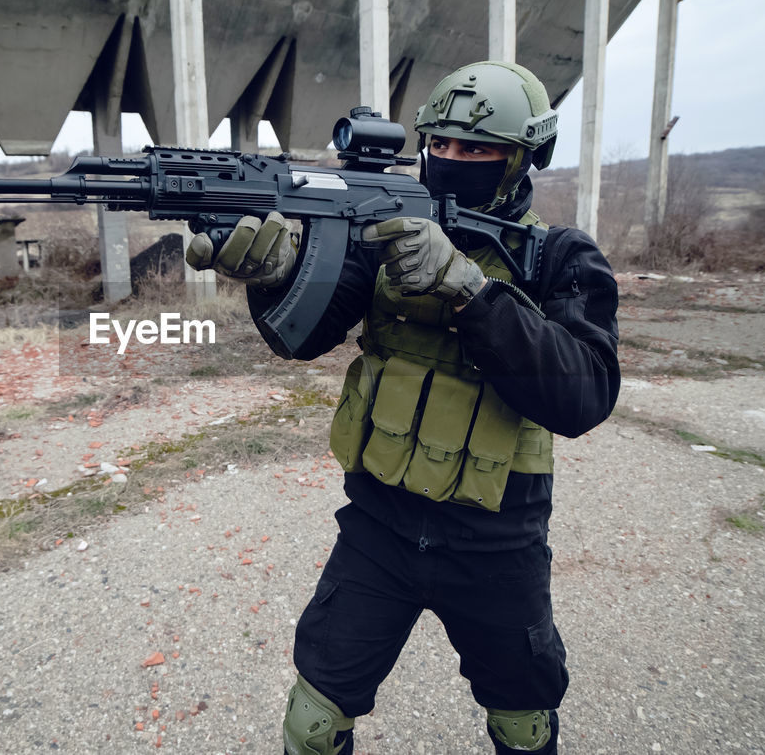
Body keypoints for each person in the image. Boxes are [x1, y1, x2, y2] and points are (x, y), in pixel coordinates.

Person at [186, 60, 620, 754]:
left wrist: (469, 290)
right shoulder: (385, 225)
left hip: (497, 537)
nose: (450, 161)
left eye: (475, 148)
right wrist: (273, 275)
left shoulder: (558, 257)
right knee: (314, 722)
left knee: (523, 722)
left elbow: (584, 393)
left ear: (522, 157)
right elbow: (303, 334)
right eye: (439, 145)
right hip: (380, 523)